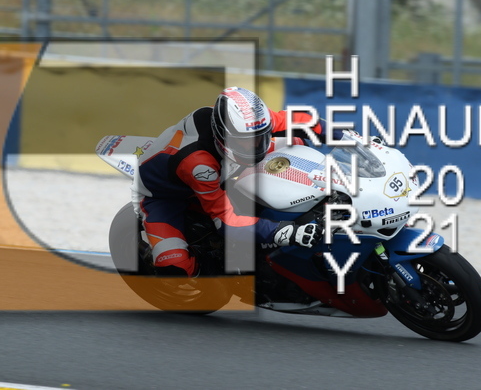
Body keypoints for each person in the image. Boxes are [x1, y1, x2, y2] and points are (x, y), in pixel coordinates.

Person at [131, 86, 332, 277]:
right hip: (164, 196)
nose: (255, 145)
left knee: (296, 142)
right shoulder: (198, 164)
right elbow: (227, 221)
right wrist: (284, 232)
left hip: (221, 164)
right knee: (176, 269)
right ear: (222, 135)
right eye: (245, 140)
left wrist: (341, 133)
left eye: (259, 137)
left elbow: (302, 121)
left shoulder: (251, 121)